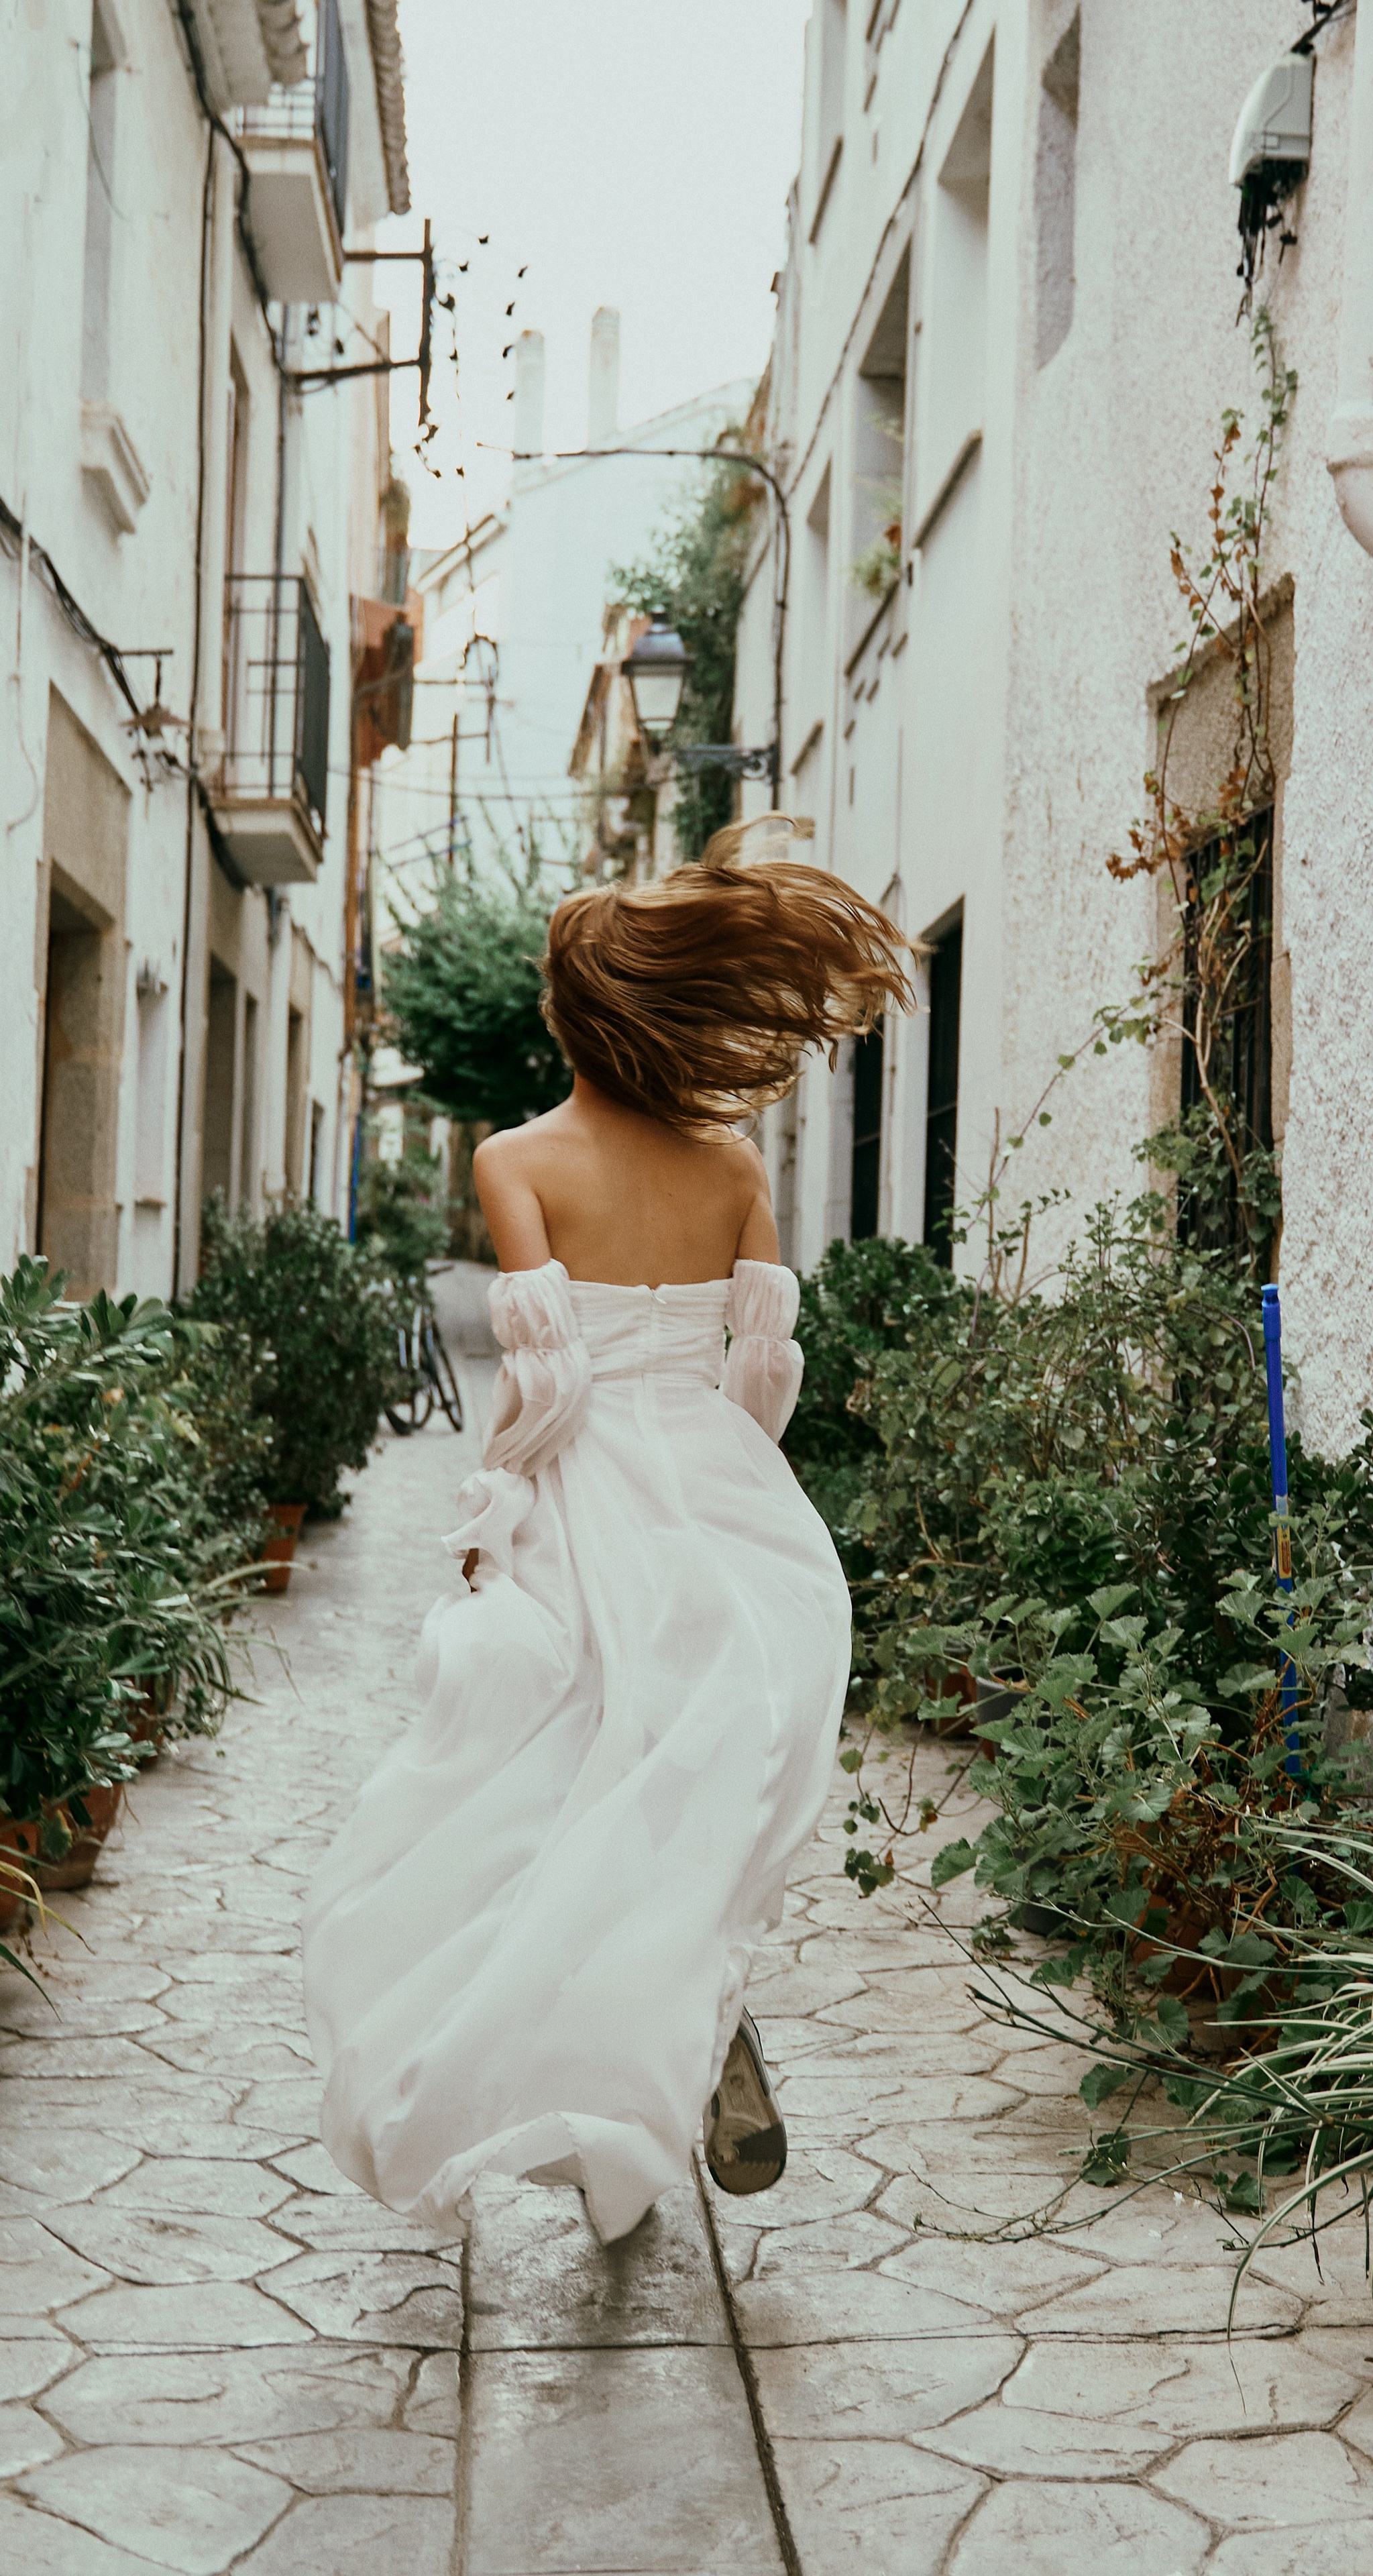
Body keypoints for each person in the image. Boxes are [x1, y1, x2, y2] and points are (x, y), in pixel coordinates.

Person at [302, 816, 914, 2246]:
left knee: (556, 1789)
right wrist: (722, 1494)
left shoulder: (516, 1161)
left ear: (568, 1020)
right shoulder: (733, 1171)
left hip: (588, 1497)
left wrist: (494, 1508)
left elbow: (546, 1380)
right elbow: (763, 1374)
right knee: (692, 1790)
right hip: (719, 1500)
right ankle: (693, 2022)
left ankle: (613, 2061)